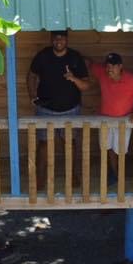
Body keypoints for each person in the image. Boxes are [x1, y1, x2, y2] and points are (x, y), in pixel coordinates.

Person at [27, 30, 90, 189]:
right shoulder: (43, 55)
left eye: (61, 37)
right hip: (46, 109)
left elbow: (86, 85)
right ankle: (40, 179)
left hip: (70, 110)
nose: (58, 40)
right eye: (55, 38)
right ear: (51, 39)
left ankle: (72, 176)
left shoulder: (75, 57)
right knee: (43, 145)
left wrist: (73, 78)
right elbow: (31, 75)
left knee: (70, 144)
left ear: (66, 39)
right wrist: (33, 96)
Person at [91, 51, 133, 183]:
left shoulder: (131, 80)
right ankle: (115, 174)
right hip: (105, 119)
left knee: (120, 150)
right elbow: (89, 64)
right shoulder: (102, 72)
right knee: (107, 148)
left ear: (120, 66)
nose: (109, 68)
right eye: (107, 65)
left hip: (124, 121)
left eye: (113, 65)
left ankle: (119, 175)